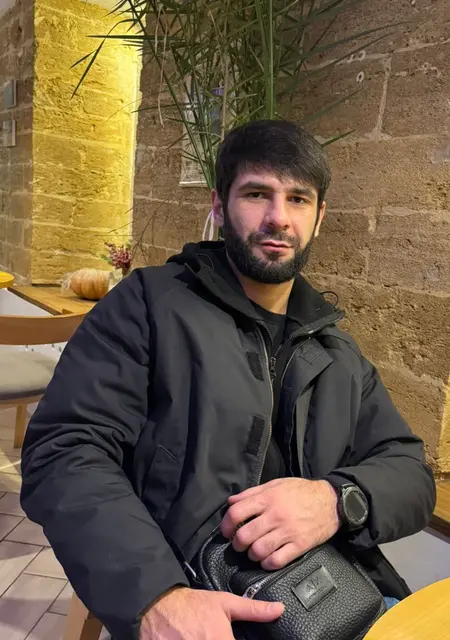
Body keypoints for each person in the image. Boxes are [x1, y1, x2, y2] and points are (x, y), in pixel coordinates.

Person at [20, 120, 436, 640]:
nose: (278, 217)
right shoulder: (149, 306)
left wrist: (334, 500)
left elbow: (411, 475)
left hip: (342, 600)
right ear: (219, 206)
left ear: (319, 218)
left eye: (298, 199)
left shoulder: (336, 351)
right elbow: (64, 451)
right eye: (257, 194)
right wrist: (155, 597)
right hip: (197, 597)